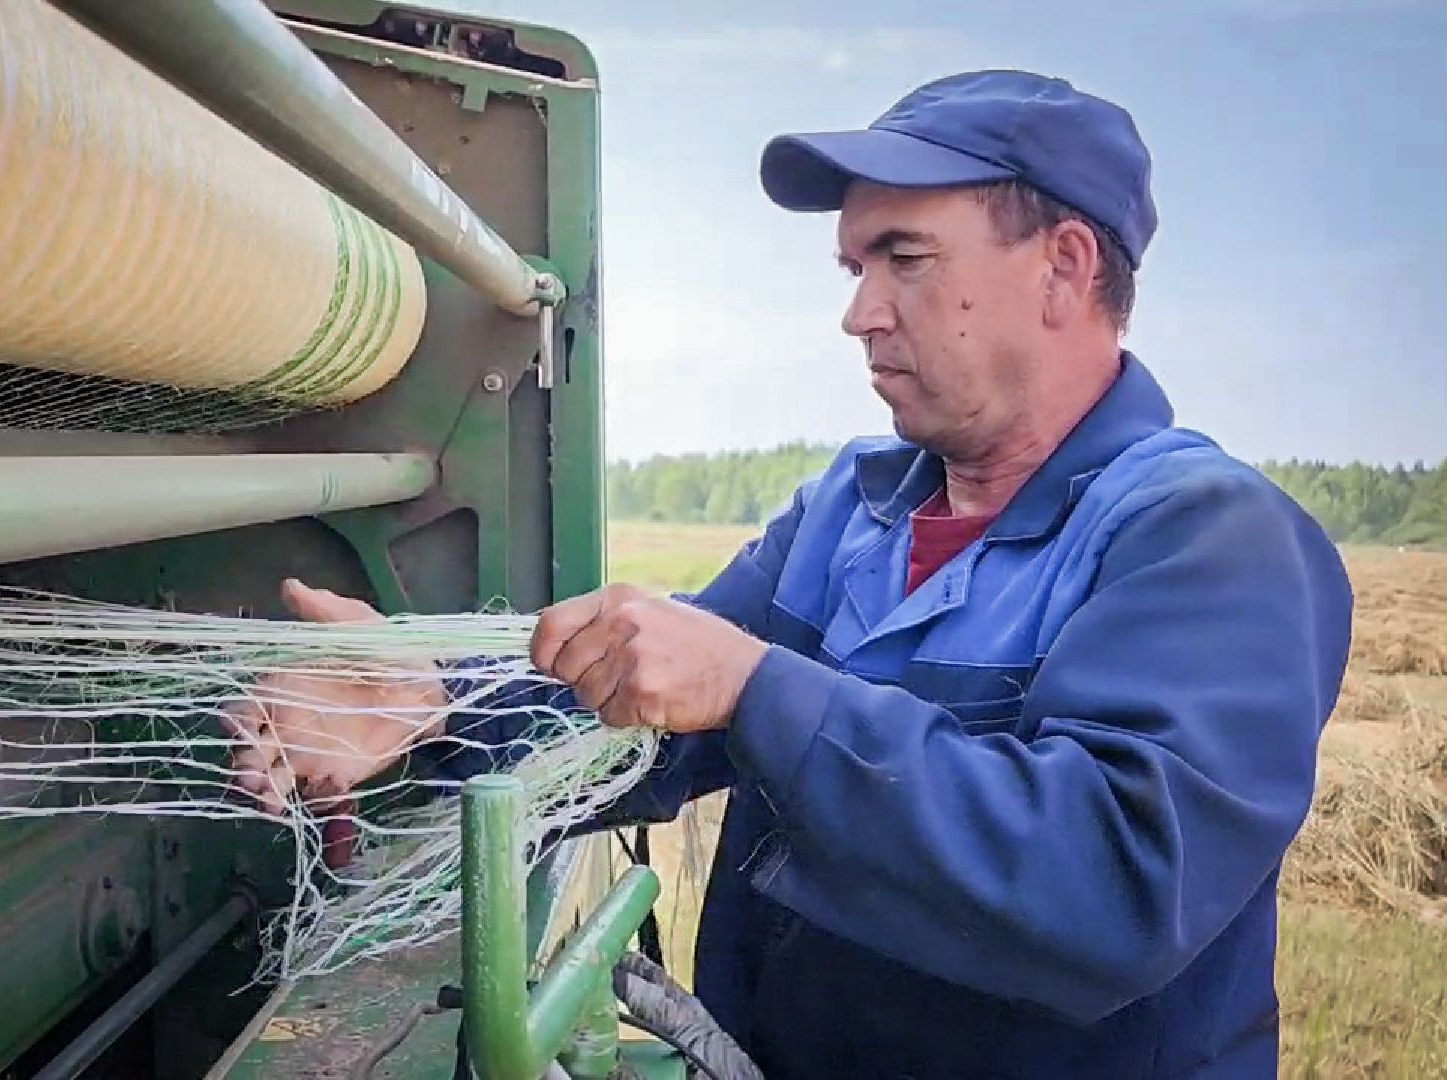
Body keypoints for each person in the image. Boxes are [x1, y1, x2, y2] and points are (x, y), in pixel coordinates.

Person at [226, 69, 1354, 1078]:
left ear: (1064, 267)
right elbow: (653, 719)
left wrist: (762, 688)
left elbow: (1115, 891)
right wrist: (433, 709)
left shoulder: (1211, 540)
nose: (860, 313)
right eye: (857, 266)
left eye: (904, 259)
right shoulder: (852, 508)